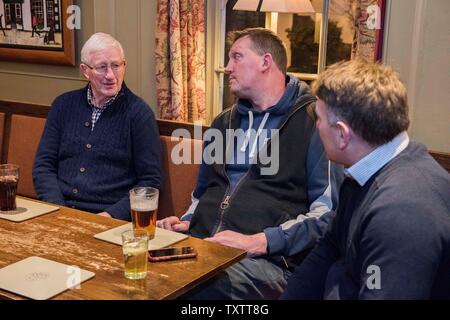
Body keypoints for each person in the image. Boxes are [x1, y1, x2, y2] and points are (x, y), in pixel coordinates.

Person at [158, 28, 343, 299]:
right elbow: (202, 192)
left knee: (196, 290)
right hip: (202, 248)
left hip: (268, 261)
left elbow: (326, 215)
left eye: (236, 57)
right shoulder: (223, 122)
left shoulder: (313, 123)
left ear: (266, 62)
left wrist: (261, 241)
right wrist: (187, 221)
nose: (228, 67)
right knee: (138, 271)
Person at [281, 59, 450, 300]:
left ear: (342, 134)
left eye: (317, 118)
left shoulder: (402, 213)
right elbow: (327, 251)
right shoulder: (365, 171)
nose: (316, 126)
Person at [33, 33, 161, 221]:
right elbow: (43, 166)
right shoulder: (63, 105)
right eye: (102, 67)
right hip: (57, 212)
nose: (110, 75)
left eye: (116, 65)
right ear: (86, 70)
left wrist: (107, 217)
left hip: (108, 220)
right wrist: (58, 211)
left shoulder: (139, 115)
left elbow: (150, 183)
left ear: (124, 65)